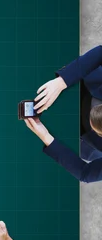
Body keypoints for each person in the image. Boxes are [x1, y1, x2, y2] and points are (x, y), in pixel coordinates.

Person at [24, 45, 102, 182]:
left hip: (81, 135)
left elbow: (85, 173)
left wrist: (47, 138)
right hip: (87, 85)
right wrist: (63, 81)